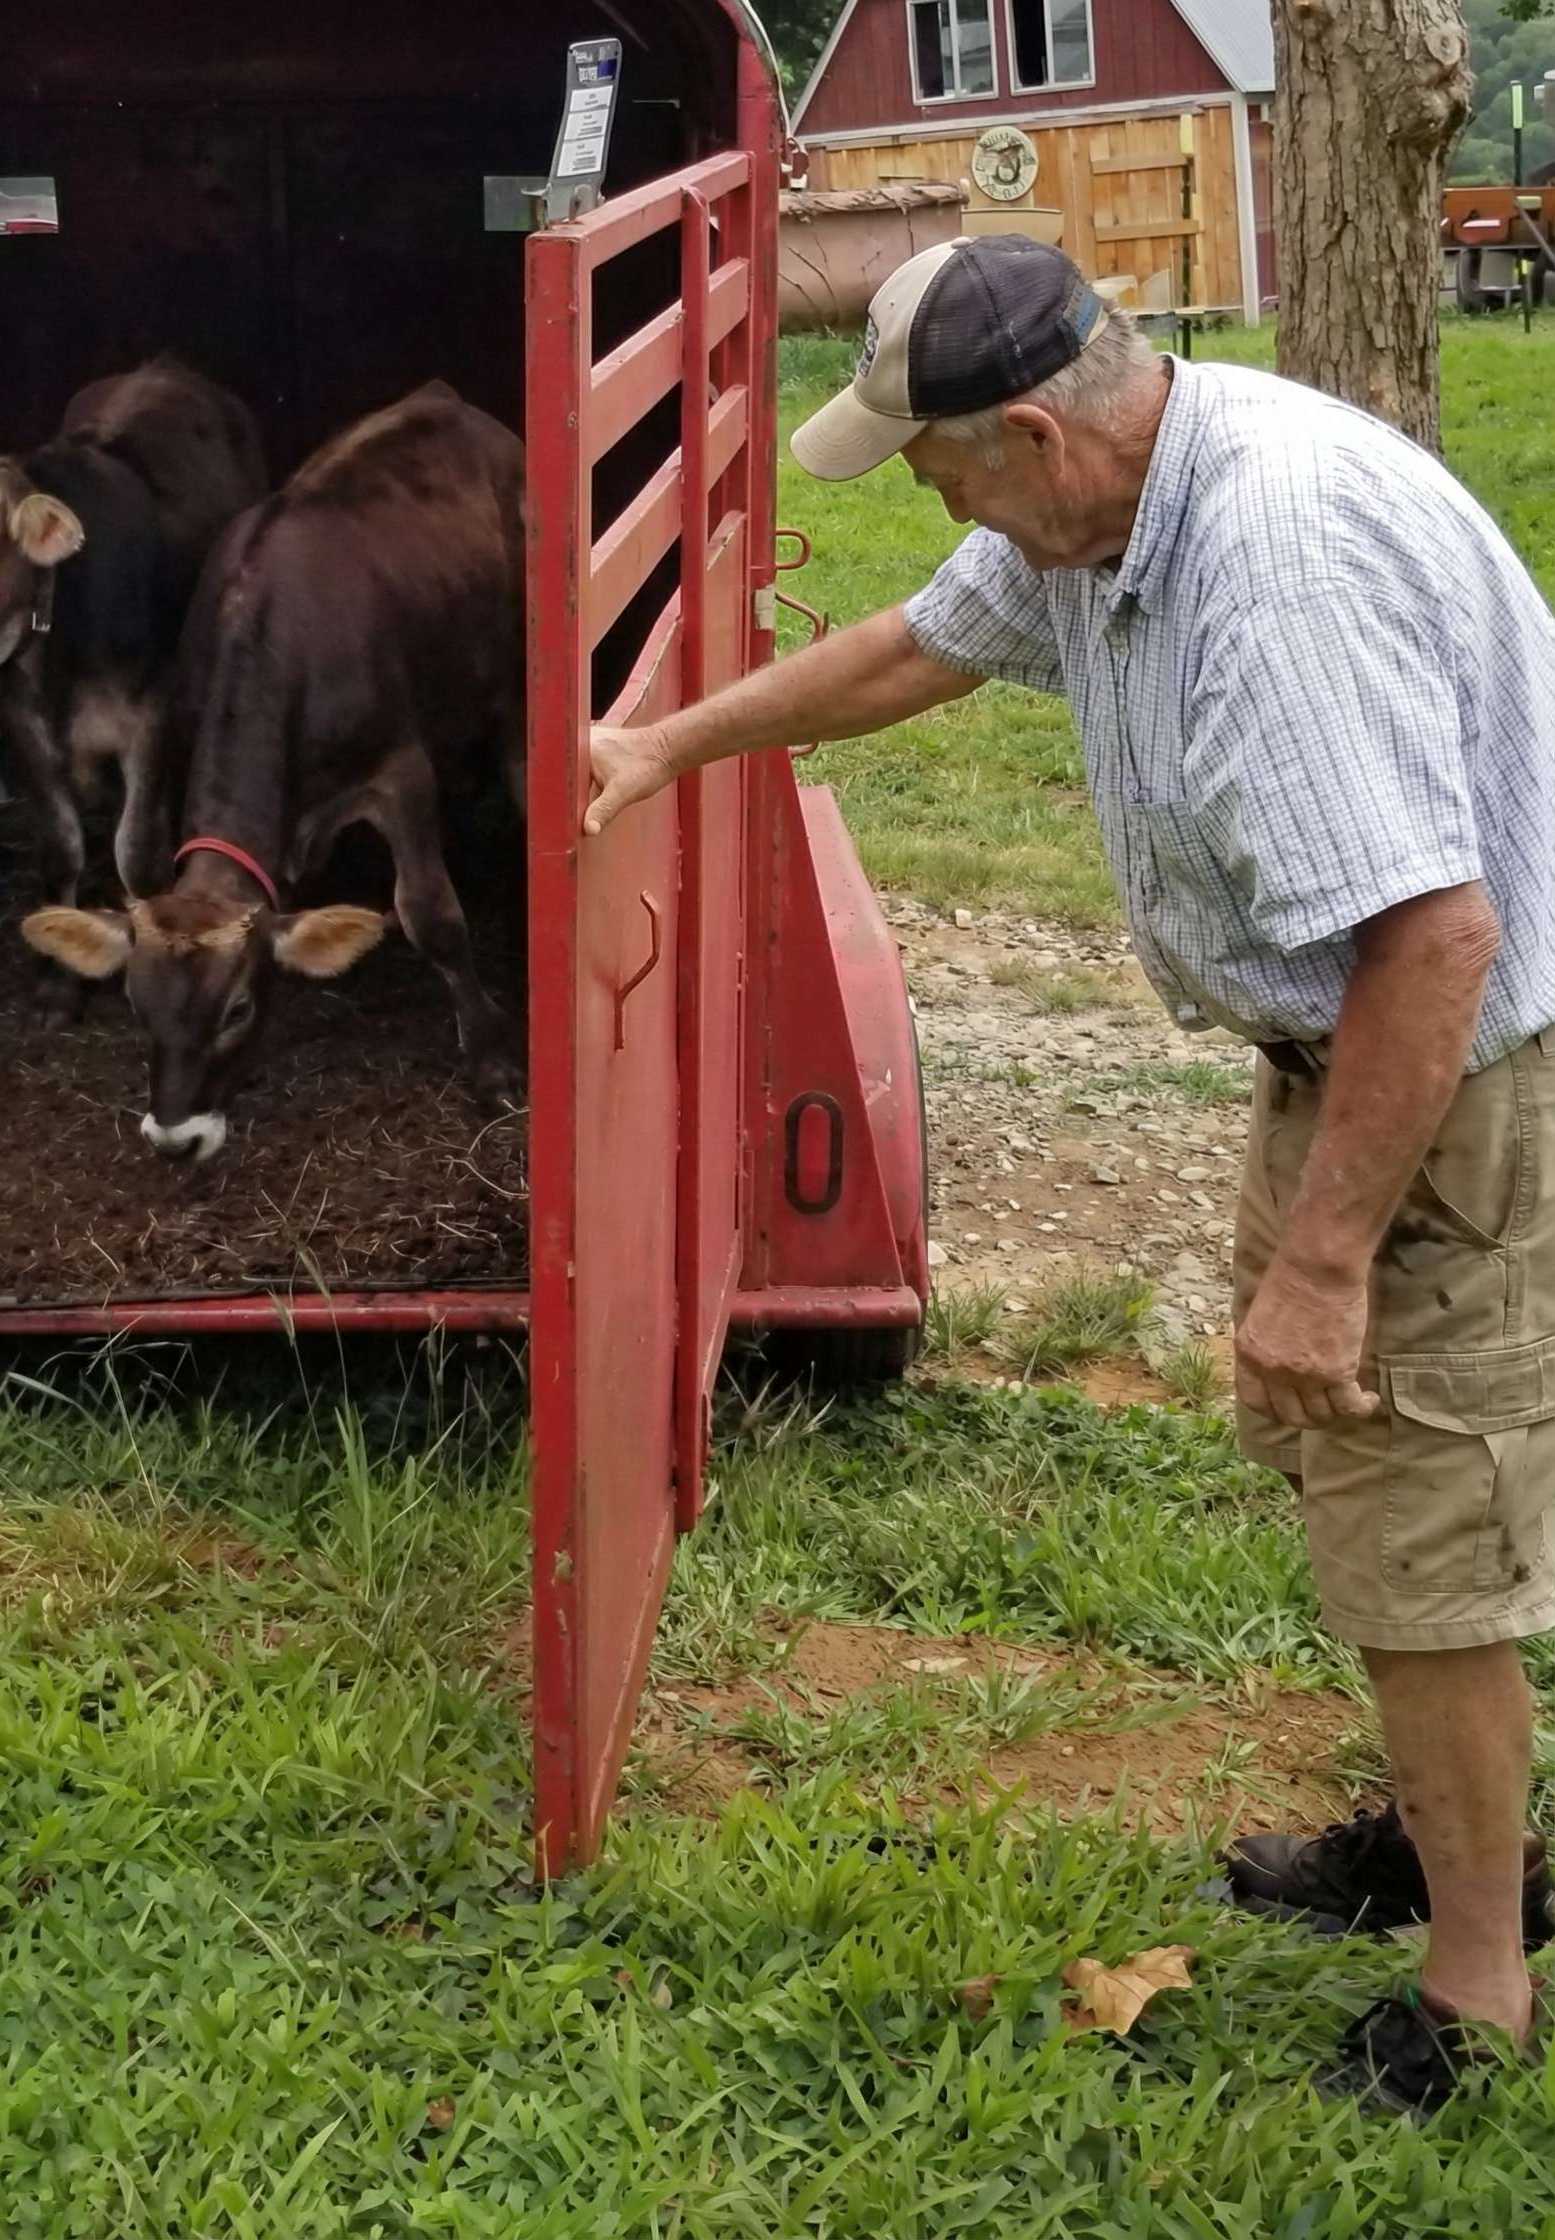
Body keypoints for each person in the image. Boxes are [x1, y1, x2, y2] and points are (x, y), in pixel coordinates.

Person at [582, 234, 1555, 2117]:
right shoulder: (1117, 498)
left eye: (941, 468)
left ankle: (1479, 1991)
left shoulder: (1273, 566)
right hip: (1348, 1047)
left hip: (1453, 1066)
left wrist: (1328, 1254)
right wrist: (662, 747)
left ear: (1031, 430)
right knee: (1373, 1488)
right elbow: (913, 650)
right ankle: (1448, 1834)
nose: (937, 506)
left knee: (1426, 1526)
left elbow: (1435, 938)